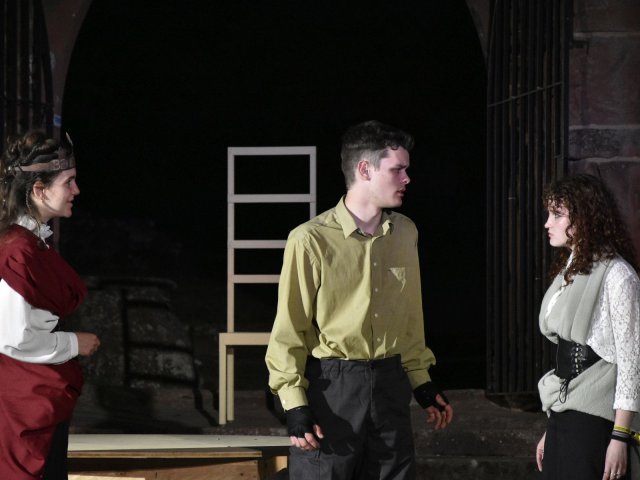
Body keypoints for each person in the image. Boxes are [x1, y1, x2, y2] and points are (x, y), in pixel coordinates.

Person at [265, 120, 453, 479]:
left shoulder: (405, 232)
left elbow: (410, 317)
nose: (407, 178)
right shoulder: (310, 239)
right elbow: (290, 329)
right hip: (333, 388)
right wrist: (294, 404)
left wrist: (421, 380)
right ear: (365, 170)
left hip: (390, 383)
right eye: (397, 169)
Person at [0, 130, 100, 479]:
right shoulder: (17, 250)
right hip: (23, 405)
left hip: (38, 398)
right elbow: (14, 337)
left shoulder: (31, 243)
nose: (76, 190)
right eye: (68, 182)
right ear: (39, 190)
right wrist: (73, 343)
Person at [535, 174, 640, 480]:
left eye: (557, 214)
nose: (547, 223)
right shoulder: (571, 270)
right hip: (564, 412)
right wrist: (551, 429)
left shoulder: (618, 275)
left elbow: (632, 362)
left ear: (583, 218)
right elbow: (569, 366)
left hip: (596, 420)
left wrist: (620, 437)